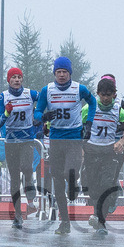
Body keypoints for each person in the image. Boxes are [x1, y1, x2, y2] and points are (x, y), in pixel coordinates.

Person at [34, 56, 97, 234]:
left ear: (70, 73)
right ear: (54, 73)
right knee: (57, 180)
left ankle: (73, 185)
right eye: (58, 72)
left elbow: (93, 102)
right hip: (55, 139)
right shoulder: (47, 90)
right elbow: (37, 112)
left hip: (74, 138)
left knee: (70, 172)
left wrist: (89, 123)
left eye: (65, 72)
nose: (61, 75)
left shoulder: (80, 88)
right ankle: (65, 222)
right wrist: (43, 117)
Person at [82, 77, 124, 234]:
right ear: (97, 94)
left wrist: (122, 142)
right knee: (93, 187)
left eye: (108, 95)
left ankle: (101, 221)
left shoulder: (118, 110)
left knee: (106, 185)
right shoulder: (88, 108)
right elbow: (78, 127)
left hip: (109, 152)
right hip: (92, 151)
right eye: (102, 95)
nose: (105, 98)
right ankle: (98, 215)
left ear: (114, 95)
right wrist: (81, 147)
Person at [0, 67, 39, 228]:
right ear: (9, 80)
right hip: (11, 141)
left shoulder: (30, 94)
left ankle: (30, 198)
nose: (16, 80)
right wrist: (6, 114)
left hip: (27, 139)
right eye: (13, 77)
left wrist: (39, 115)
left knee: (27, 168)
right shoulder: (4, 96)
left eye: (19, 77)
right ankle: (17, 215)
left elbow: (43, 101)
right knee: (14, 177)